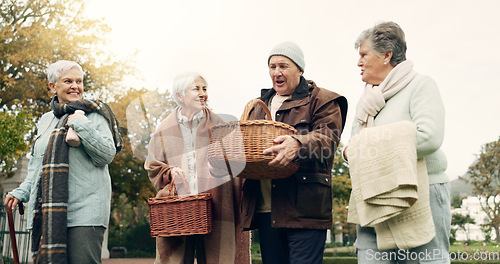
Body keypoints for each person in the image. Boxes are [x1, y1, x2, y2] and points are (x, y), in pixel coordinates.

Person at [346, 21, 450, 263]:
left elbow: (429, 137)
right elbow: (353, 147)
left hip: (421, 192)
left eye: (363, 55)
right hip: (373, 196)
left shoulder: (420, 85)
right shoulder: (365, 102)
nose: (358, 62)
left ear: (387, 55)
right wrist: (352, 152)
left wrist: (365, 149)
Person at [4, 60, 123, 263]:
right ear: (53, 86)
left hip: (86, 212)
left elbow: (106, 155)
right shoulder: (45, 120)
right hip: (48, 212)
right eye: (68, 81)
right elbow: (36, 167)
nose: (75, 86)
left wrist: (80, 123)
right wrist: (21, 192)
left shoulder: (94, 115)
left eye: (79, 81)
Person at [241, 42, 348, 264]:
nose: (276, 72)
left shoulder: (322, 99)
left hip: (305, 212)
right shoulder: (258, 107)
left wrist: (298, 144)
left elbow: (328, 139)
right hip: (265, 212)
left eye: (283, 66)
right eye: (272, 66)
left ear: (299, 69)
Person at [144, 72, 250, 264]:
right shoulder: (163, 130)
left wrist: (221, 166)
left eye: (204, 89)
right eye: (196, 89)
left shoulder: (221, 127)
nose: (202, 94)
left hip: (218, 208)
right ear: (179, 96)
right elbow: (152, 166)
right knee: (174, 259)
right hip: (178, 210)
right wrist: (170, 172)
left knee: (218, 257)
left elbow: (237, 165)